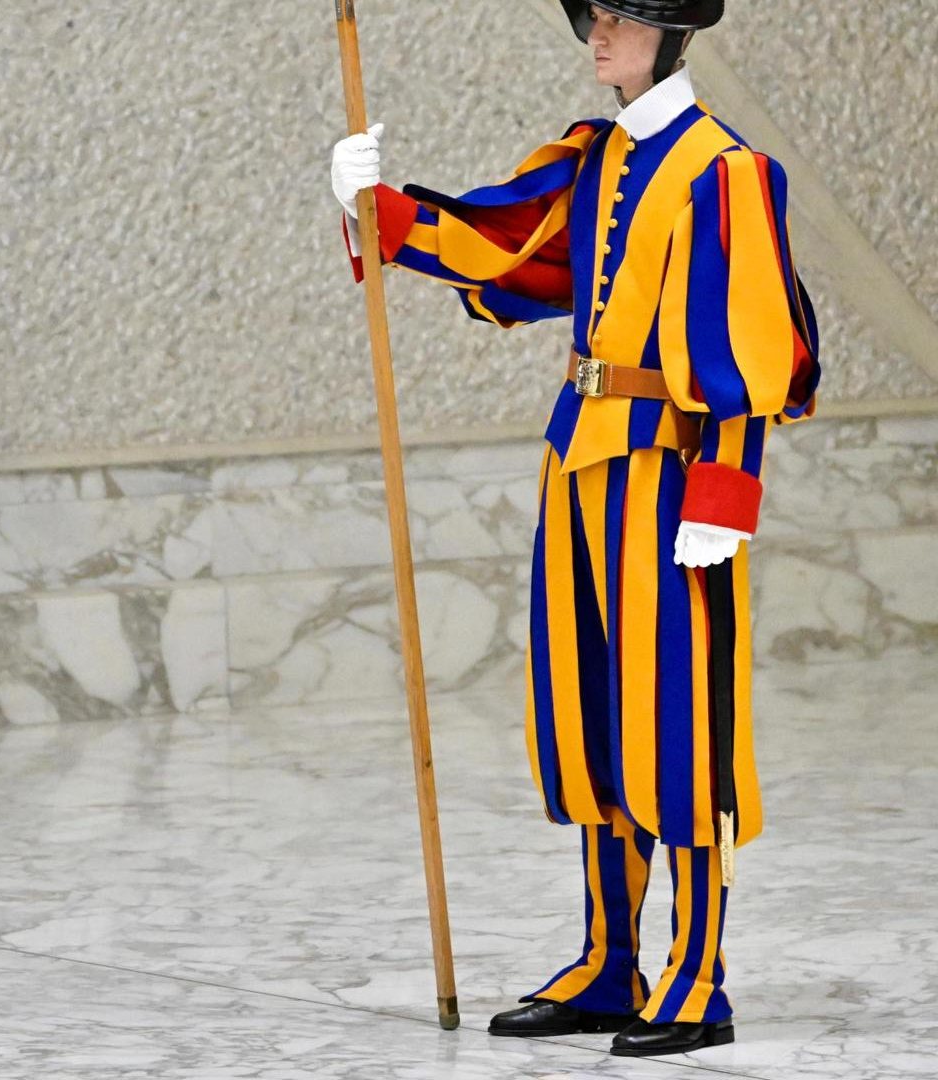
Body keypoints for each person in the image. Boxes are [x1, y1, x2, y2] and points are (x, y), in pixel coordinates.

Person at [330, 0, 819, 1058]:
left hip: (669, 477)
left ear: (672, 31)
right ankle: (609, 958)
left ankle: (697, 975)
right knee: (588, 713)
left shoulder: (725, 171)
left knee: (675, 725)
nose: (599, 34)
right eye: (593, 13)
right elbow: (515, 256)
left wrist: (726, 497)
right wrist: (382, 212)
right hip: (578, 463)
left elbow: (755, 349)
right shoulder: (597, 157)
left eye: (623, 15)